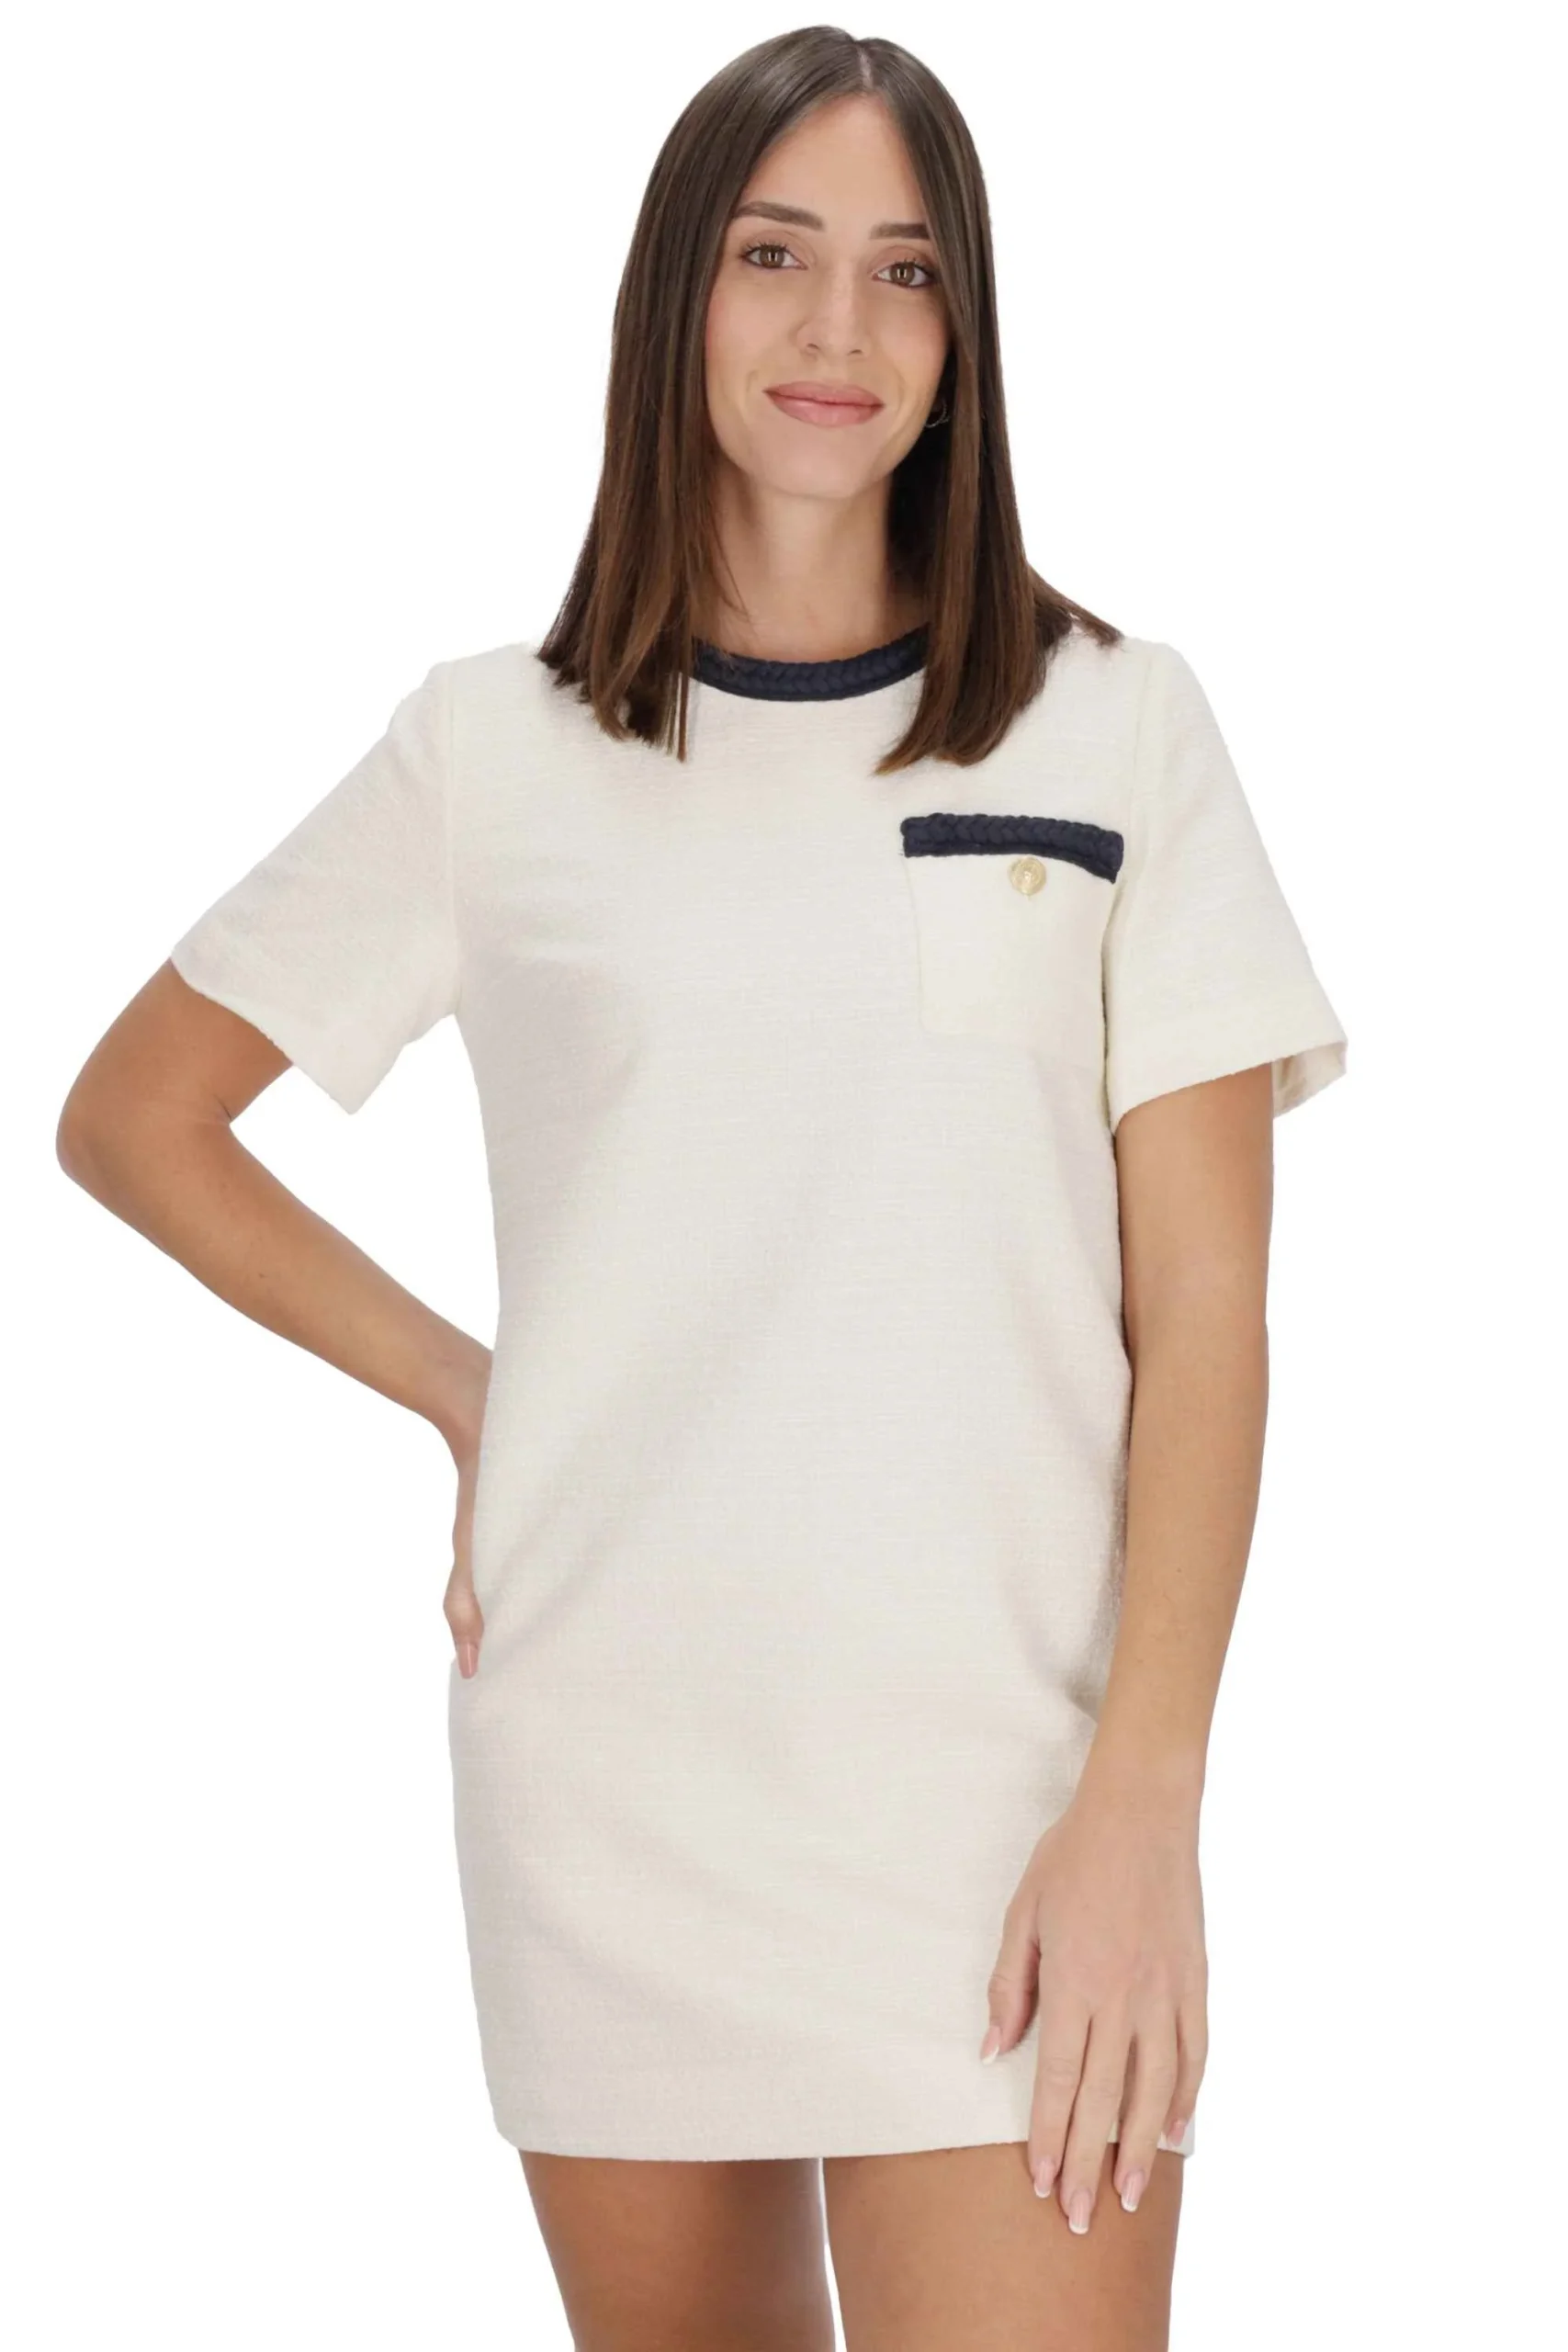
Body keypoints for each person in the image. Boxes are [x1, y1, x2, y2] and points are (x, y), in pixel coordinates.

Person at [56, 27, 1348, 2351]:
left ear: (964, 335)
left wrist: (1144, 1800)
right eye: (775, 256)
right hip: (611, 1781)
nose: (839, 328)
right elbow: (137, 1114)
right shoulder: (493, 746)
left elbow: (1209, 1319)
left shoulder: (1114, 723)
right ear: (680, 293)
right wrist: (477, 1392)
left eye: (906, 271)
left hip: (1010, 1812)